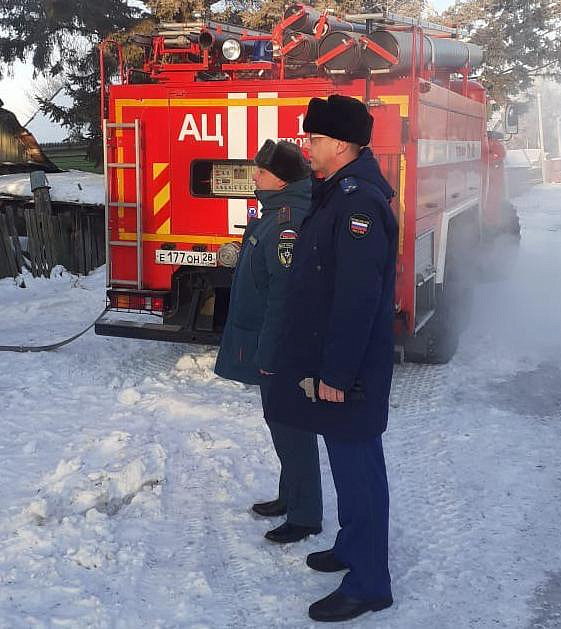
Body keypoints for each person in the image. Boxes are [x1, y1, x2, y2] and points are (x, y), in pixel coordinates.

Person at [263, 95, 399, 622]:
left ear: (341, 144)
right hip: (331, 364)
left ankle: (369, 583)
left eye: (314, 138)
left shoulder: (357, 203)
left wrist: (338, 373)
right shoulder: (335, 193)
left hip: (350, 371)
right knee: (345, 461)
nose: (306, 146)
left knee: (359, 467)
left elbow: (357, 298)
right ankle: (350, 547)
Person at [214, 139, 323, 544]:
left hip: (281, 348)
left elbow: (284, 297)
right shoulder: (274, 213)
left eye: (260, 170)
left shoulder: (286, 222)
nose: (254, 175)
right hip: (267, 340)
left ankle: (306, 514)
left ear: (280, 178)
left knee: (291, 427)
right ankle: (289, 495)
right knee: (280, 423)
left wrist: (271, 354)